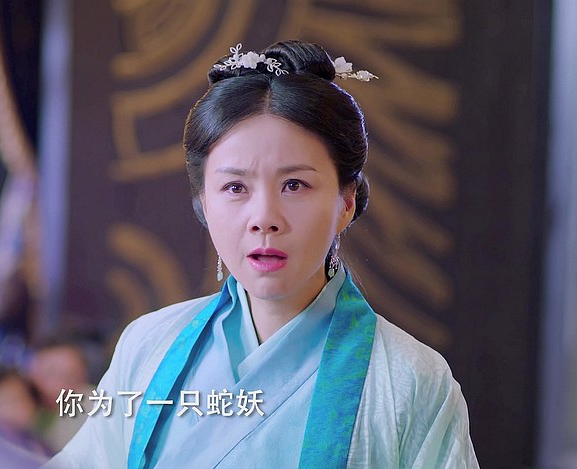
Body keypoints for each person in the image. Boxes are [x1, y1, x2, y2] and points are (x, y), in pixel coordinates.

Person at [47, 40, 478, 468]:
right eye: (235, 187)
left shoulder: (409, 381)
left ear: (346, 202)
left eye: (295, 185)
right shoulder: (148, 346)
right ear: (204, 203)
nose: (264, 218)